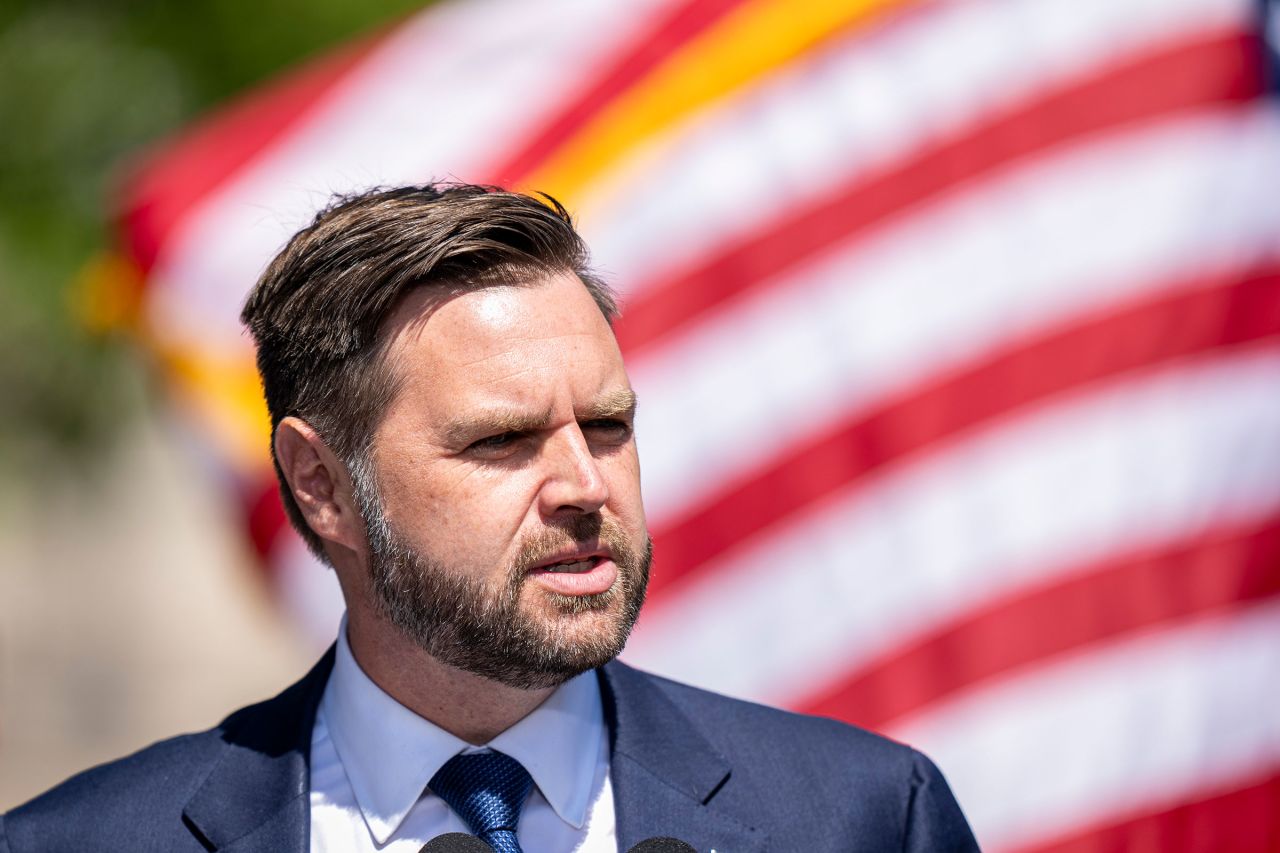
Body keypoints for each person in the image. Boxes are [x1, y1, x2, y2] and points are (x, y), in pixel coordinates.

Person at [0, 184, 979, 852]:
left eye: (606, 425)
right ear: (320, 485)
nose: (582, 485)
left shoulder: (861, 817)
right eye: (501, 440)